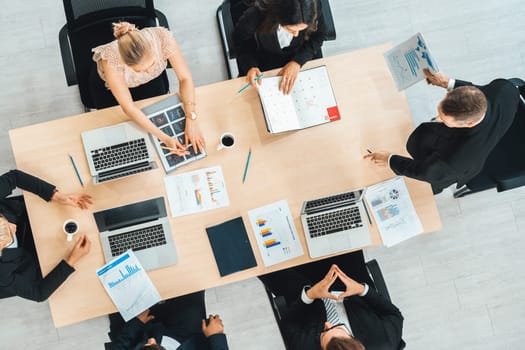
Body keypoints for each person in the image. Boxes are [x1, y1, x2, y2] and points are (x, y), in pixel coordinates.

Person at [365, 69, 522, 194]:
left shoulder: (454, 160)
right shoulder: (504, 88)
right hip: (492, 130)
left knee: (428, 186)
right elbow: (478, 92)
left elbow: (425, 172)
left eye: (443, 119)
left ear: (469, 123)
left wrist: (390, 159)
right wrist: (447, 83)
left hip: (458, 167)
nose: (437, 118)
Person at [91, 22, 205, 156]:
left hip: (150, 84)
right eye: (141, 70)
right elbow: (128, 108)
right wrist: (165, 138)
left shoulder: (163, 38)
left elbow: (185, 78)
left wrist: (191, 118)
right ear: (126, 64)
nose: (148, 71)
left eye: (152, 64)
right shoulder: (111, 60)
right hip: (111, 90)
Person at [259, 254, 404, 350]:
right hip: (348, 282)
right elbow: (394, 314)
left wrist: (308, 296)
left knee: (260, 257)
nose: (327, 324)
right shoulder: (384, 343)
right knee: (335, 227)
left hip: (301, 291)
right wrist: (361, 290)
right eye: (338, 328)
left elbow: (288, 324)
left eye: (324, 333)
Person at [0, 169, 92, 301]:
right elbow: (39, 293)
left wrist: (56, 196)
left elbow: (14, 177)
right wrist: (72, 259)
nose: (14, 226)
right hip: (40, 256)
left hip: (34, 213)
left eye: (3, 219)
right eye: (9, 233)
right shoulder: (2, 274)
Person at [234, 0, 327, 94]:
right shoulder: (256, 14)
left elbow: (319, 36)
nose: (296, 35)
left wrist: (297, 62)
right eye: (290, 30)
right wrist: (250, 66)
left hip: (298, 54)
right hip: (264, 62)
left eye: (301, 29)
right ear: (278, 15)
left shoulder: (312, 7)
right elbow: (240, 42)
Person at [109, 291, 229, 350]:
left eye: (148, 343)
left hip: (136, 336)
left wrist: (136, 323)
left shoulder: (149, 339)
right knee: (191, 289)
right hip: (185, 338)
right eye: (152, 343)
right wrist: (216, 336)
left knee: (119, 294)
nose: (151, 340)